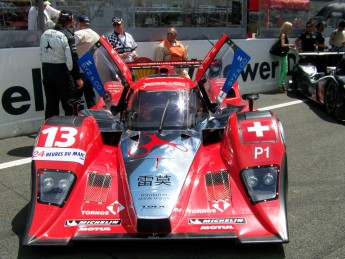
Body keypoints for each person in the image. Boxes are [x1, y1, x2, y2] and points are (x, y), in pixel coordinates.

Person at [40, 9, 83, 120]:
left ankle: (49, 130)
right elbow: (73, 57)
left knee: (51, 104)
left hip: (46, 71)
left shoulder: (45, 33)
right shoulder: (68, 35)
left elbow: (41, 54)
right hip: (62, 72)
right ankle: (72, 130)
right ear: (70, 20)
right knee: (70, 104)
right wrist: (77, 78)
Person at [74, 15, 100, 108]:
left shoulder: (79, 34)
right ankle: (92, 116)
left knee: (77, 97)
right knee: (90, 95)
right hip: (92, 70)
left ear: (80, 23)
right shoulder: (96, 34)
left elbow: (69, 45)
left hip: (80, 70)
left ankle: (80, 118)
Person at [277, 22, 295, 93]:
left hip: (283, 53)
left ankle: (282, 85)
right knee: (285, 70)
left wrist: (290, 47)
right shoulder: (283, 35)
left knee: (282, 70)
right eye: (289, 28)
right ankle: (279, 85)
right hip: (283, 54)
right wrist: (291, 45)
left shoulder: (283, 34)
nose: (290, 30)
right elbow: (283, 45)